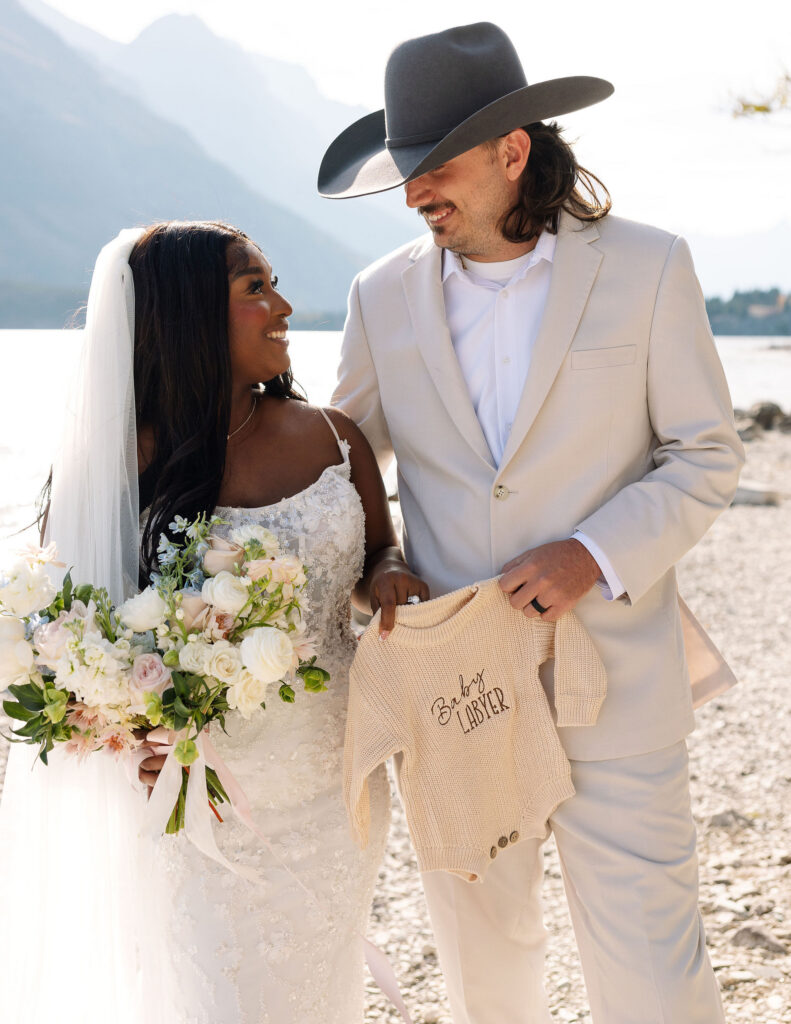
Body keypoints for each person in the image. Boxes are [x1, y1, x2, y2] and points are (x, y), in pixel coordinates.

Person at [320, 22, 745, 1024]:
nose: (416, 192)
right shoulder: (378, 297)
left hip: (619, 680)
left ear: (512, 151)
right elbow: (344, 472)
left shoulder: (646, 268)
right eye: (405, 173)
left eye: (436, 167)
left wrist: (592, 553)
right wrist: (375, 560)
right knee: (486, 973)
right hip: (453, 697)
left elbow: (704, 454)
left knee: (650, 964)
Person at [0, 220, 427, 1024]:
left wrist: (391, 576)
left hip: (336, 786)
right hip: (195, 799)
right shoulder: (124, 465)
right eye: (254, 288)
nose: (284, 306)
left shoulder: (335, 439)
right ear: (191, 315)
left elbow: (375, 562)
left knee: (315, 987)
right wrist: (133, 730)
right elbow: (66, 639)